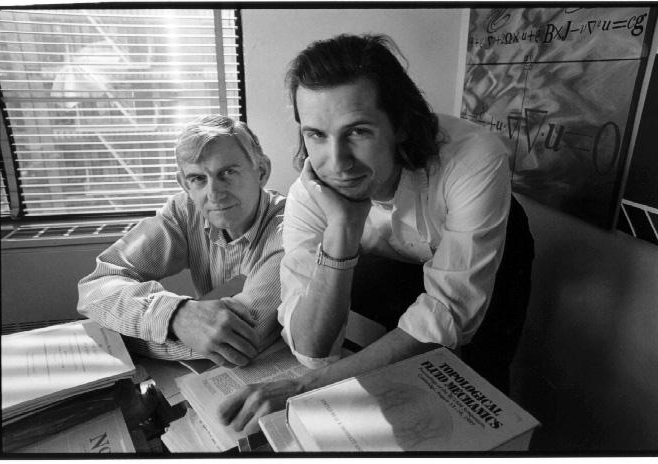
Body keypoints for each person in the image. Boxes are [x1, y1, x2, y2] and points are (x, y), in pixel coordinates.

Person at [216, 34, 533, 433]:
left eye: (358, 132)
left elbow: (449, 313)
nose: (337, 163)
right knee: (387, 375)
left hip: (483, 252)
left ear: (400, 124)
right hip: (387, 257)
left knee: (477, 375)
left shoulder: (474, 157)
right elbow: (312, 349)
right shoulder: (308, 194)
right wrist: (344, 228)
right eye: (316, 135)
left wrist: (306, 386)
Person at [77, 115, 285, 366]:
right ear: (185, 185)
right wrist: (175, 314)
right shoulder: (184, 211)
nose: (214, 193)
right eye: (198, 178)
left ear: (261, 172)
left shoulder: (289, 229)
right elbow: (97, 285)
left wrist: (125, 329)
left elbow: (238, 342)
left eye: (228, 172)